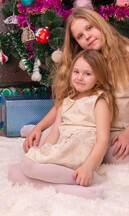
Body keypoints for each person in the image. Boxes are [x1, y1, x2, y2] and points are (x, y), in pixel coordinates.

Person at [21, 7, 129, 164]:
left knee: (123, 158)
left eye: (90, 28)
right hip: (82, 128)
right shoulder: (83, 61)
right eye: (80, 36)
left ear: (100, 24)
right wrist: (40, 126)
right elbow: (66, 103)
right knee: (44, 145)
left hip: (117, 130)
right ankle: (34, 130)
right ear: (76, 42)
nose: (87, 36)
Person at [8, 49, 115, 199]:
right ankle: (75, 190)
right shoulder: (66, 100)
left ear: (99, 78)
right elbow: (55, 131)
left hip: (79, 151)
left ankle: (87, 176)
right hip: (63, 148)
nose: (79, 77)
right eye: (76, 72)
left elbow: (103, 139)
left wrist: (88, 167)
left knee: (28, 165)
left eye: (87, 74)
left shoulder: (99, 101)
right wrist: (43, 153)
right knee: (14, 171)